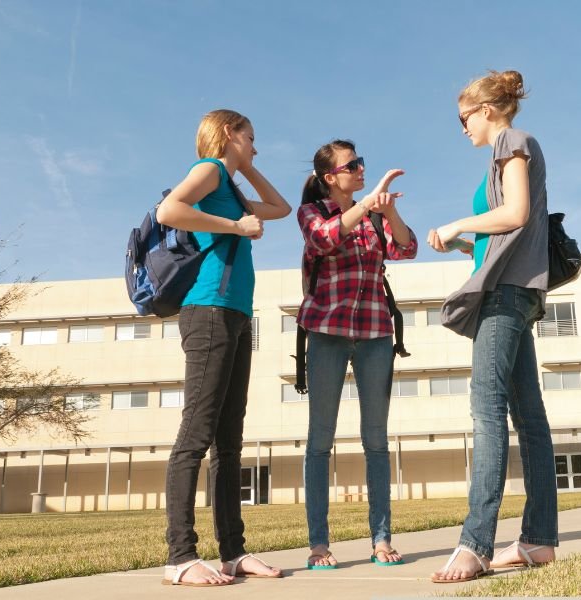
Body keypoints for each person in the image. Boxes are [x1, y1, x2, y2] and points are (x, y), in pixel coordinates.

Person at [428, 70, 558, 583]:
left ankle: (475, 544)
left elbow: (517, 213)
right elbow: (502, 234)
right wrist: (463, 243)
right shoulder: (501, 152)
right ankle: (539, 542)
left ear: (486, 110)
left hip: (506, 296)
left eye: (464, 117)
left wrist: (460, 222)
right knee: (530, 419)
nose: (462, 127)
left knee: (487, 412)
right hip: (514, 287)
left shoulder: (512, 141)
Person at [156, 109, 291, 586]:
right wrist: (235, 227)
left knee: (229, 442)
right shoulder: (209, 171)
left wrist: (247, 166)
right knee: (197, 432)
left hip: (234, 314)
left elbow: (281, 208)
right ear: (229, 134)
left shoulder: (230, 186)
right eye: (250, 138)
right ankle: (180, 557)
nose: (256, 145)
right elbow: (168, 211)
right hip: (207, 311)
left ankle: (233, 552)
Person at [296, 140, 418, 569]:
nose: (362, 169)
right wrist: (367, 204)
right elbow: (325, 239)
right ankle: (318, 545)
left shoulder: (371, 218)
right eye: (354, 165)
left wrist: (388, 212)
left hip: (375, 333)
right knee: (319, 442)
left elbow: (406, 248)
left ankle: (381, 540)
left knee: (376, 442)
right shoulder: (313, 212)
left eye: (362, 162)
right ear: (331, 177)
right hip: (327, 333)